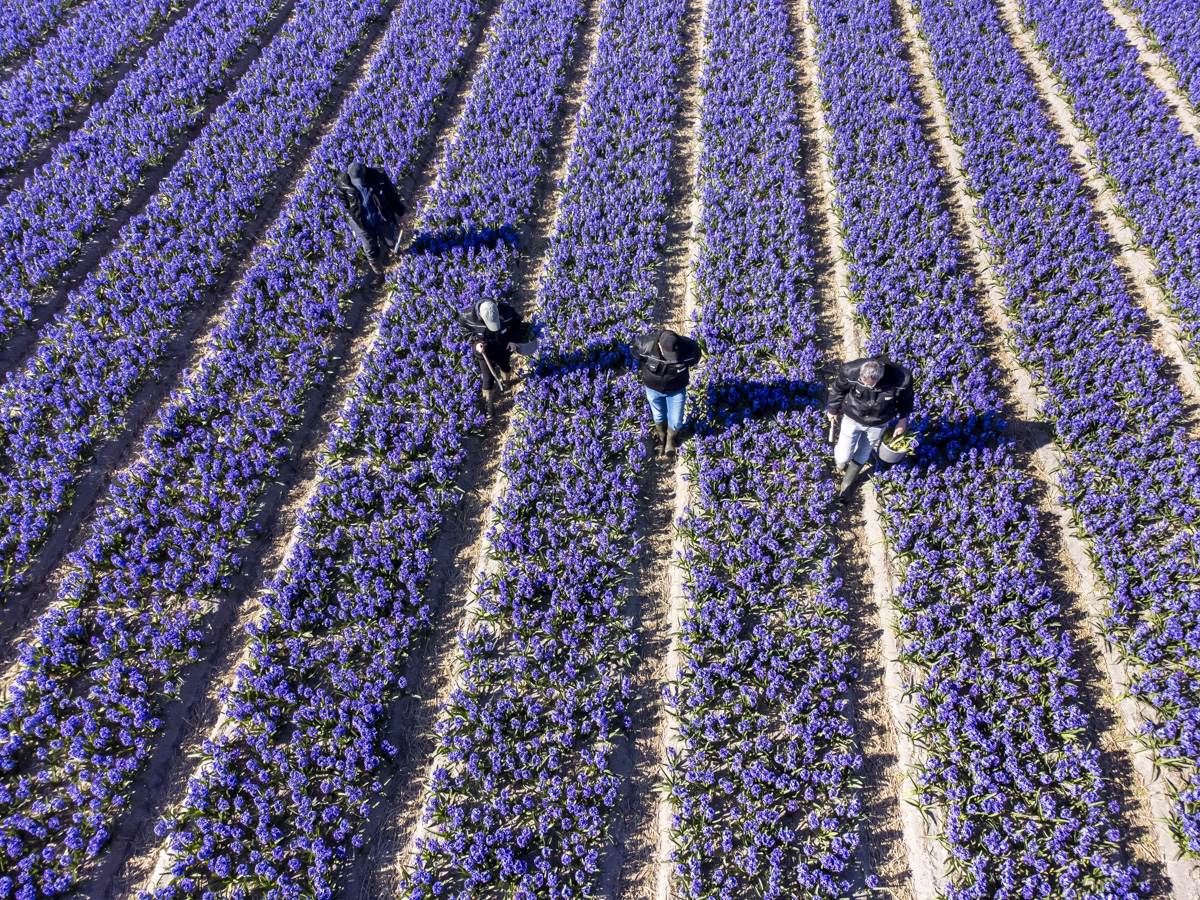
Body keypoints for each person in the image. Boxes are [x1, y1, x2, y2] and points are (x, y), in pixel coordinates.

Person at [826, 355, 914, 497]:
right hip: (852, 417)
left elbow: (906, 401)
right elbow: (838, 390)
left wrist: (902, 421)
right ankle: (840, 464)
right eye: (862, 382)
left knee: (864, 452)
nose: (865, 385)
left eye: (869, 384)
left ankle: (846, 484)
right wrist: (832, 409)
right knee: (842, 455)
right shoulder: (850, 370)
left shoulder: (902, 378)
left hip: (878, 422)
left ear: (881, 376)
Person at [457, 299, 537, 416]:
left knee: (505, 366)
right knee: (488, 379)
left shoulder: (506, 311)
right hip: (484, 353)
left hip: (502, 347)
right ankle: (489, 409)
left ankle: (507, 383)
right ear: (480, 315)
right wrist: (475, 343)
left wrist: (512, 340)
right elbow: (465, 330)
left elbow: (517, 324)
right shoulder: (468, 316)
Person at [632, 328, 701, 454]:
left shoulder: (689, 348)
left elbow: (695, 359)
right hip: (653, 388)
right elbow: (636, 355)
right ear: (659, 344)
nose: (670, 359)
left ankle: (670, 440)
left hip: (676, 389)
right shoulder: (644, 345)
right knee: (658, 415)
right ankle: (662, 437)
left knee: (676, 420)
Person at [334, 162, 407, 274]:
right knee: (370, 249)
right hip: (362, 223)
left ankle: (401, 258)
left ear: (365, 170)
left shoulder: (378, 176)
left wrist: (402, 213)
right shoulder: (342, 182)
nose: (360, 184)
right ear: (348, 174)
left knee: (392, 241)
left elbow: (392, 194)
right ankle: (378, 272)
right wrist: (353, 217)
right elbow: (345, 203)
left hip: (381, 217)